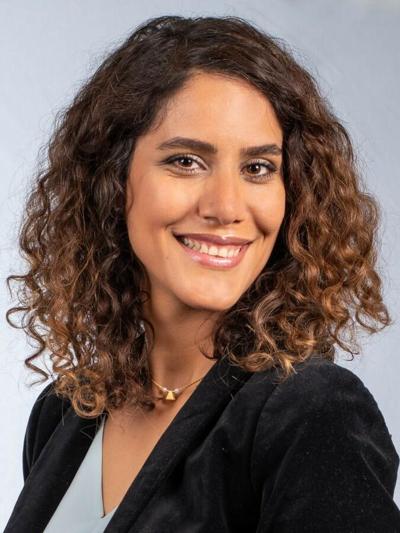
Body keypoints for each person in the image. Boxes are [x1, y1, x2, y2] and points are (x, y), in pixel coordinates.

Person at [4, 14, 400, 533]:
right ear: (112, 180)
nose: (226, 207)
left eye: (258, 168)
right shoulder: (65, 412)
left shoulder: (310, 413)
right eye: (187, 161)